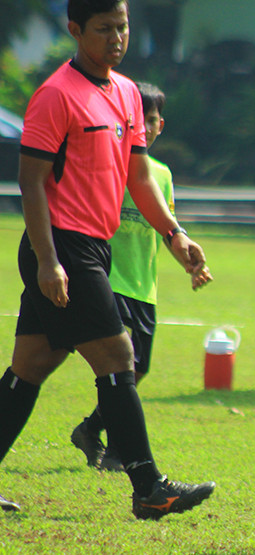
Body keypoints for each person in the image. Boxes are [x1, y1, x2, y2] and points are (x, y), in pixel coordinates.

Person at [1, 0, 216, 517]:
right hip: (62, 246)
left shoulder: (126, 94)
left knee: (30, 365)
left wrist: (175, 235)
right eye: (104, 29)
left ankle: (147, 486)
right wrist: (50, 261)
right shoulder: (55, 95)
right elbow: (30, 183)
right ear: (76, 30)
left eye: (122, 27)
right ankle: (149, 487)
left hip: (94, 245)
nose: (116, 37)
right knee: (120, 358)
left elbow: (138, 178)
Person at [69, 81, 204, 472]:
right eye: (140, 119)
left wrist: (192, 263)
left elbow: (166, 226)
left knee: (139, 368)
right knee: (122, 363)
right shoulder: (113, 162)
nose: (148, 125)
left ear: (161, 124)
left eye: (153, 119)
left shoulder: (160, 173)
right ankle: (117, 451)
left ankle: (90, 429)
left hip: (145, 284)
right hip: (109, 277)